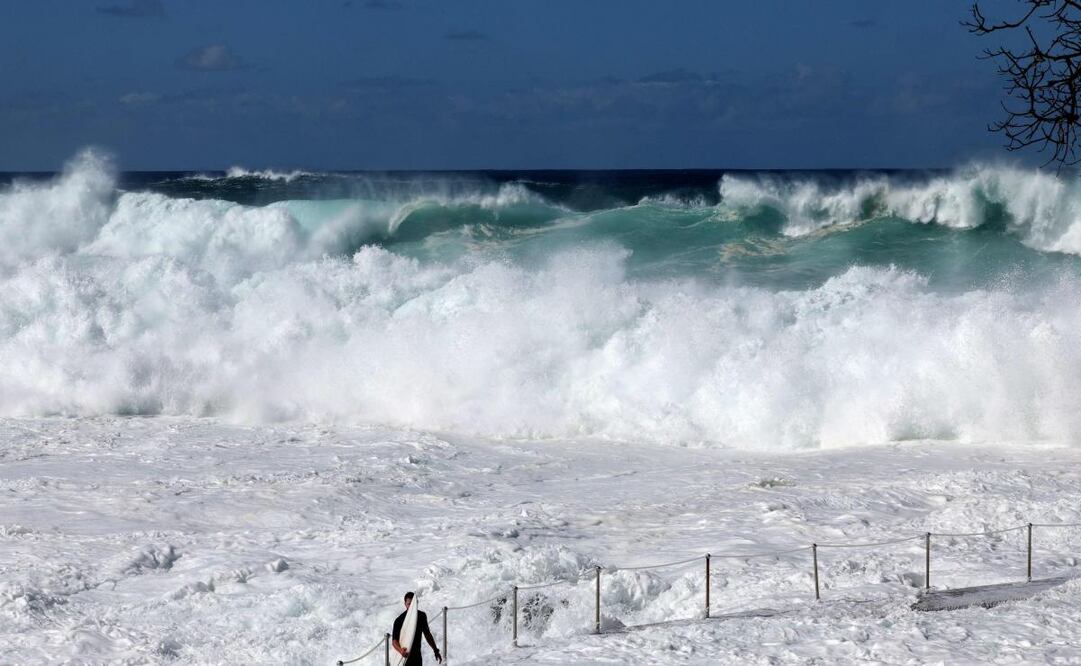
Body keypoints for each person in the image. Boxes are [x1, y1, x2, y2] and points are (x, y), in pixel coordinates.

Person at [392, 592, 442, 665]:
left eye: (413, 604)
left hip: (417, 657)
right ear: (405, 604)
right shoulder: (399, 620)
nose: (411, 607)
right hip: (403, 658)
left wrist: (435, 650)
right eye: (409, 604)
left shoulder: (421, 616)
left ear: (417, 603)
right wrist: (400, 651)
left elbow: (427, 635)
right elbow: (394, 641)